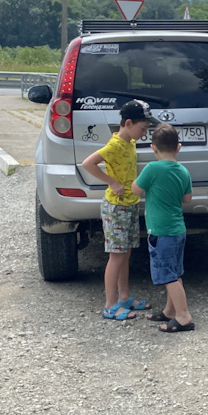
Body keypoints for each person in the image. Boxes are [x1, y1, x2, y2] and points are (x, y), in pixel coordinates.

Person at [81, 99, 154, 321]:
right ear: (129, 123)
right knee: (116, 256)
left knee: (126, 253)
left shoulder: (130, 142)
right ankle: (110, 305)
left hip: (129, 205)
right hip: (116, 208)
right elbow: (88, 163)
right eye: (143, 129)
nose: (144, 133)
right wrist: (111, 182)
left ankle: (124, 297)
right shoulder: (114, 146)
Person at [129, 123, 194, 334]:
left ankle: (183, 317)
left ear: (153, 147)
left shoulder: (152, 169)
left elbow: (136, 189)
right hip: (178, 230)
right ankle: (169, 310)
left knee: (168, 276)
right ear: (179, 147)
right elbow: (187, 199)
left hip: (161, 231)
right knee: (175, 272)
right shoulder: (183, 170)